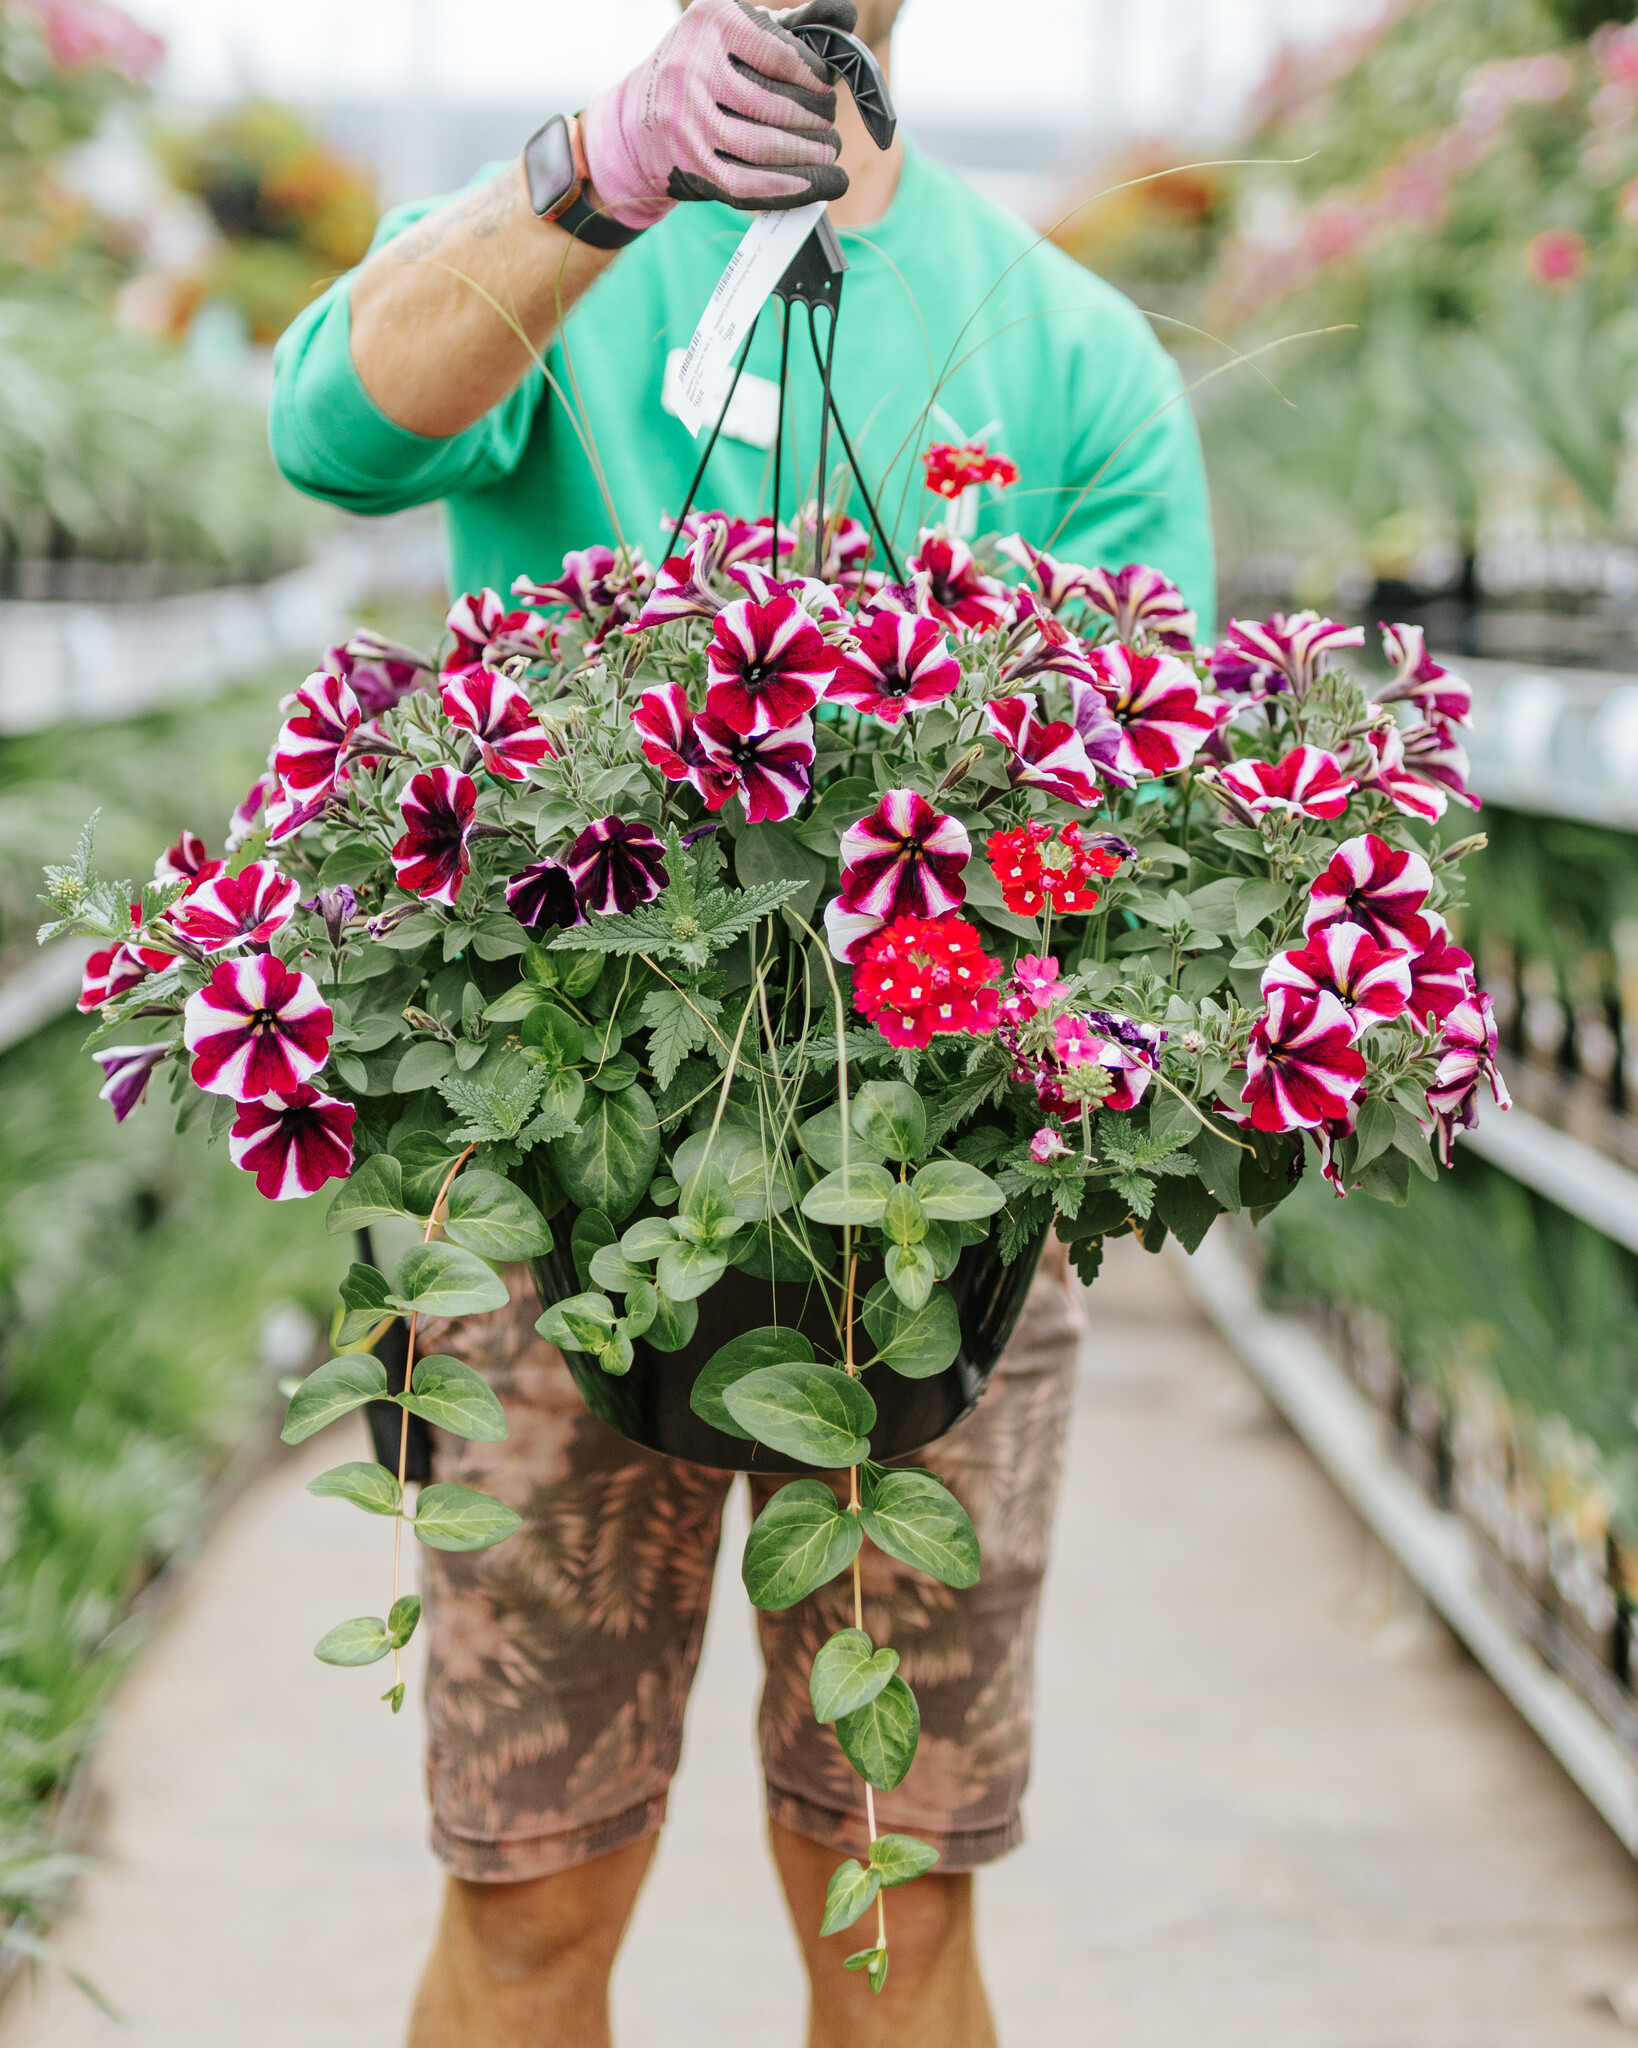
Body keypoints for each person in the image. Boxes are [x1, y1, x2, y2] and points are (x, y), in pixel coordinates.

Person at [269, 5, 1215, 2043]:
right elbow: (335, 431)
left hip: (933, 1220)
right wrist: (596, 171)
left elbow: (1154, 826)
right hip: (543, 1198)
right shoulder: (560, 235)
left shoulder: (1064, 348)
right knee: (536, 1891)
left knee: (894, 1907)